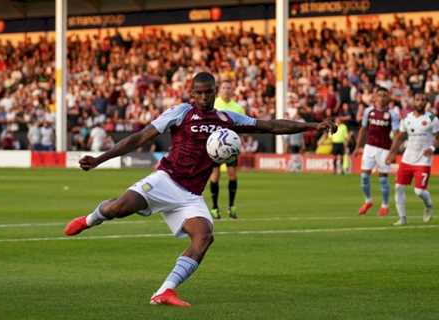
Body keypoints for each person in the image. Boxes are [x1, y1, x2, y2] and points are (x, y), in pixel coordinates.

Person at [64, 72, 336, 308]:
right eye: (200, 93)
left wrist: (312, 125)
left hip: (190, 195)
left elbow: (270, 125)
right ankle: (89, 219)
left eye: (209, 92)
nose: (205, 97)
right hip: (165, 180)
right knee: (118, 208)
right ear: (191, 94)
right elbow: (140, 137)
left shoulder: (227, 118)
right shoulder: (181, 112)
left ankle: (164, 291)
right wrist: (100, 159)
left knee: (204, 237)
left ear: (215, 93)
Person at [386, 93, 439, 226]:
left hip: (423, 160)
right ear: (413, 102)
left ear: (426, 103)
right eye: (417, 99)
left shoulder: (433, 119)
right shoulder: (407, 118)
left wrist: (432, 148)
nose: (420, 102)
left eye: (423, 100)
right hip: (407, 159)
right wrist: (392, 153)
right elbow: (400, 137)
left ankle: (428, 206)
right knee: (398, 187)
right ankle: (402, 218)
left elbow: (438, 137)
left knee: (419, 191)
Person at [353, 87, 400, 216]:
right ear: (375, 97)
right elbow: (363, 129)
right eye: (380, 95)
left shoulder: (393, 114)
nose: (382, 97)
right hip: (369, 147)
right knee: (363, 177)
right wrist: (357, 147)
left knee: (383, 180)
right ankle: (368, 201)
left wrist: (393, 153)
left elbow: (397, 135)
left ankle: (384, 205)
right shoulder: (369, 111)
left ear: (389, 98)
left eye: (385, 95)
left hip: (384, 149)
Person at [209, 80, 246, 219]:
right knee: (215, 175)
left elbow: (243, 125)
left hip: (231, 147)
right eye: (224, 87)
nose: (226, 90)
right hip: (215, 146)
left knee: (232, 175)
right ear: (219, 90)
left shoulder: (237, 107)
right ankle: (214, 207)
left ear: (232, 90)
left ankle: (231, 206)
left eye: (229, 87)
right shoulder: (214, 104)